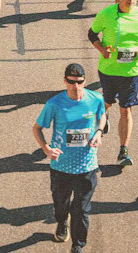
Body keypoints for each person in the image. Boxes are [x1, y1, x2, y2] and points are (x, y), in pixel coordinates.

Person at [33, 63, 105, 252]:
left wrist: (98, 132)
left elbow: (102, 116)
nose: (76, 86)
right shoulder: (55, 104)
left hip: (87, 166)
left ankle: (77, 246)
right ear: (65, 80)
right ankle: (61, 221)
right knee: (61, 205)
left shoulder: (95, 99)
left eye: (80, 82)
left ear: (84, 81)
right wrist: (46, 149)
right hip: (61, 167)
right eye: (72, 82)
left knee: (81, 210)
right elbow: (37, 128)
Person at [87, 0, 138, 167]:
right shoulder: (106, 14)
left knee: (126, 108)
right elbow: (92, 34)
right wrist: (102, 50)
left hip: (131, 71)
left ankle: (123, 150)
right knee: (107, 102)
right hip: (109, 69)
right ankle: (102, 119)